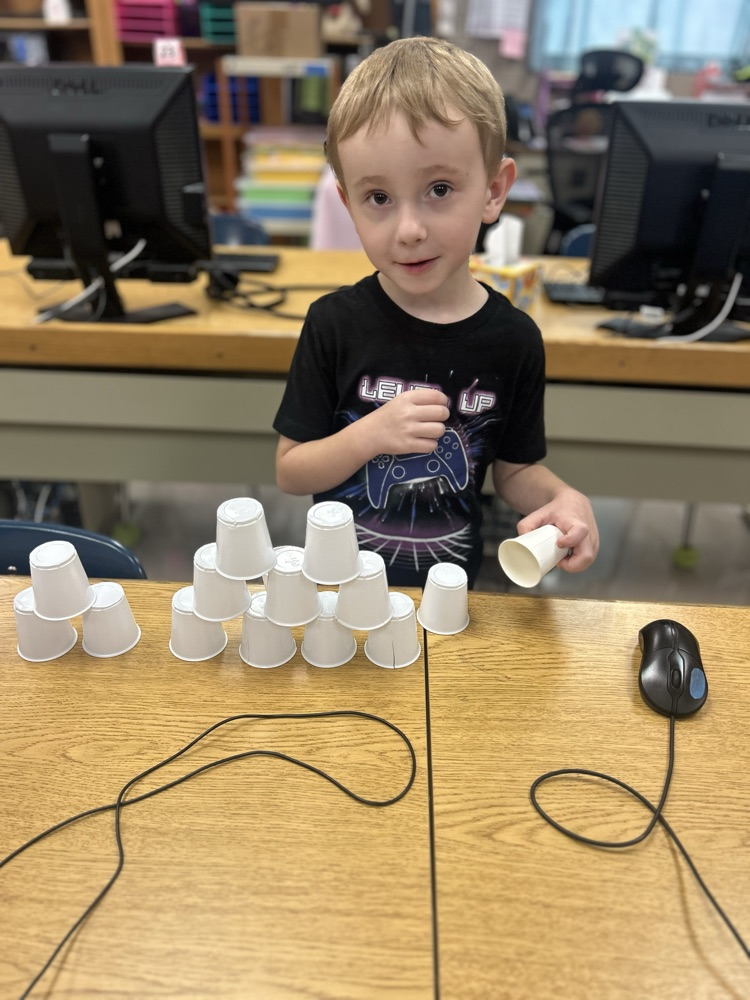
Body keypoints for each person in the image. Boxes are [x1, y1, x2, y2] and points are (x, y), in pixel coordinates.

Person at [273, 36, 599, 588]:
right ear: (348, 204)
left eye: (439, 188)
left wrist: (562, 497)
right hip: (338, 589)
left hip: (450, 591)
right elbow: (291, 470)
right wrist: (371, 435)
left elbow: (515, 471)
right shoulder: (333, 323)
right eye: (379, 198)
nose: (409, 230)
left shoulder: (514, 339)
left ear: (493, 191)